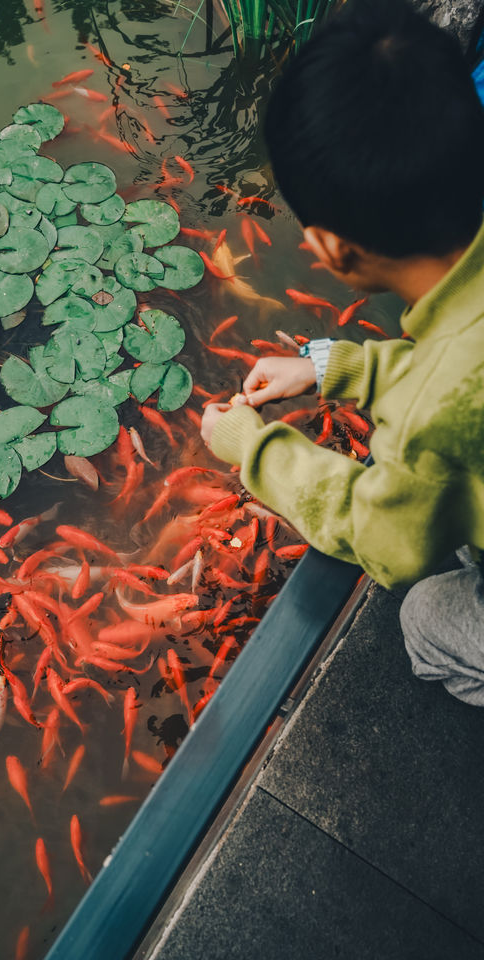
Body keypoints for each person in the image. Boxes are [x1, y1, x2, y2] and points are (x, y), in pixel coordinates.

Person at [200, 0, 484, 705]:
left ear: (330, 250)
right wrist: (337, 367)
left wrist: (252, 451)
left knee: (426, 620)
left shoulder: (432, 409)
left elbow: (385, 539)